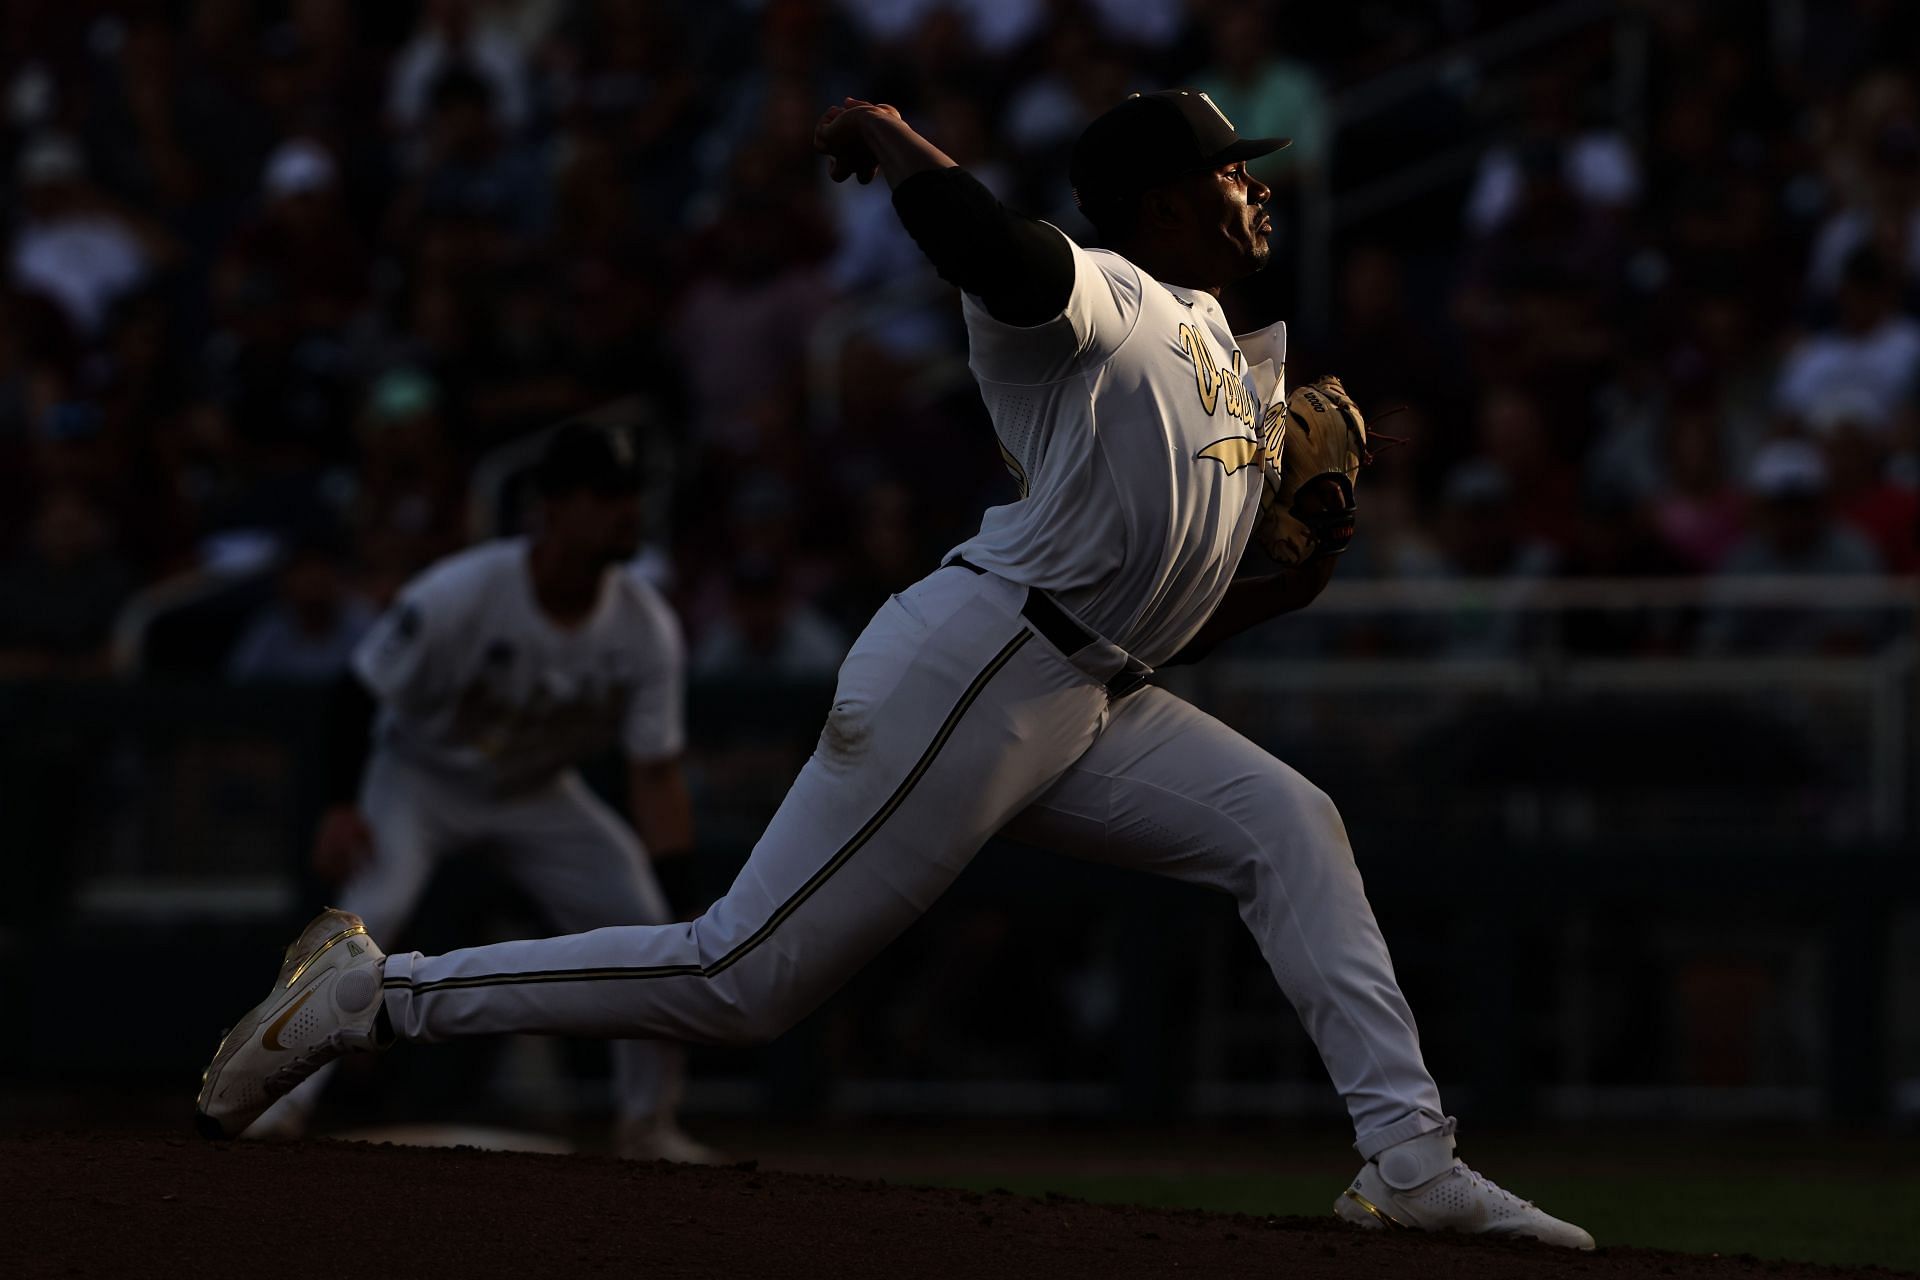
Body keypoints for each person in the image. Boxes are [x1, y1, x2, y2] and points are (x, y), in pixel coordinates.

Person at [199, 91, 1594, 1248]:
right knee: (739, 979)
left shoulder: (1238, 364)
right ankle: (375, 998)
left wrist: (1298, 577)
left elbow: (1176, 623)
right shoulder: (1108, 296)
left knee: (1292, 826)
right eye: (1233, 171)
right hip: (981, 668)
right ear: (1167, 203)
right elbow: (992, 249)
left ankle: (1407, 1155)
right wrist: (899, 140)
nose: (1256, 190)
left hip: (1091, 689)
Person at [226, 422, 716, 1164]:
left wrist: (679, 890)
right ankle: (274, 1106)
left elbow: (656, 771)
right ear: (551, 508)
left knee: (647, 929)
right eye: (604, 495)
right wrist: (340, 803)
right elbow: (357, 691)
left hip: (537, 790)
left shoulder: (645, 626)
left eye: (631, 495)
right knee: (365, 919)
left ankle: (648, 1125)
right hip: (420, 777)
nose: (626, 511)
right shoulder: (463, 590)